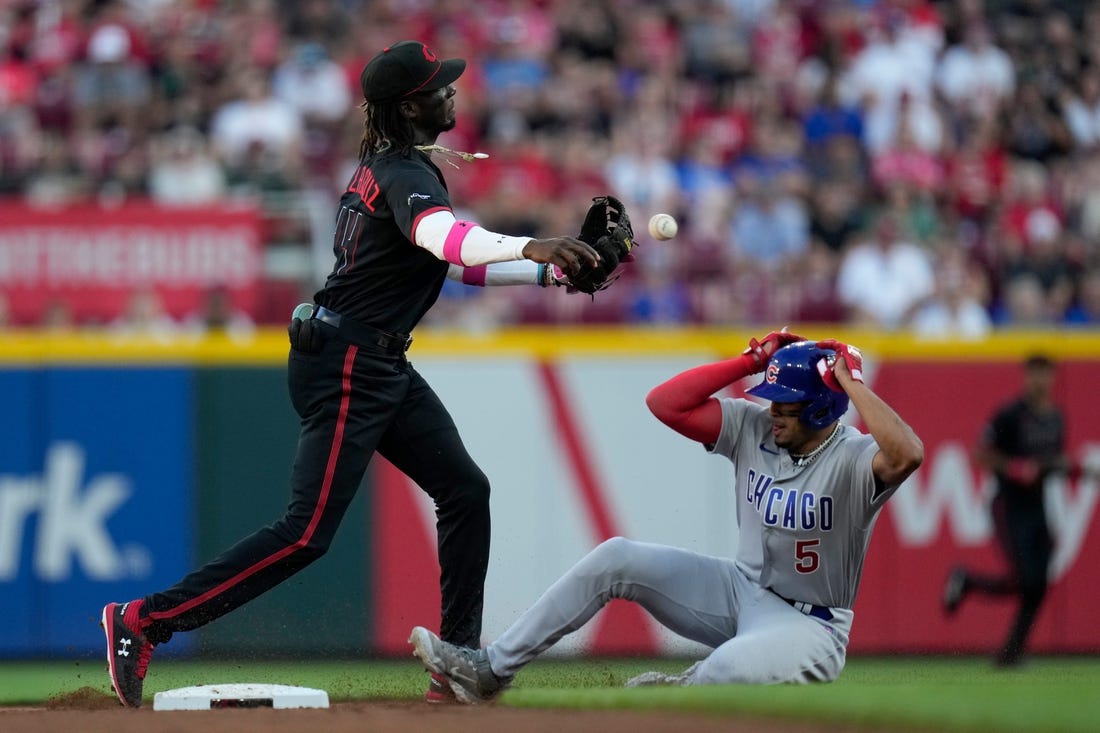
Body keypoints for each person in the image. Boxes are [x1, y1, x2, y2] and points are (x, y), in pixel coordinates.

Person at [100, 40, 604, 708]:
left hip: (372, 357)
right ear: (410, 104)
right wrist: (532, 244)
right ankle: (143, 620)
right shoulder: (402, 172)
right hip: (347, 362)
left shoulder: (397, 166)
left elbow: (455, 261)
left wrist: (552, 269)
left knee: (464, 490)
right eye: (439, 87)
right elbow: (447, 242)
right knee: (307, 532)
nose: (452, 92)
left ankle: (455, 661)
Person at [410, 332, 924, 701]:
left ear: (819, 408)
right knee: (618, 558)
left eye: (786, 404)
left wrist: (851, 384)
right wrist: (749, 361)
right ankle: (491, 670)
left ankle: (681, 694)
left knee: (724, 669)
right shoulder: (755, 427)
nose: (771, 410)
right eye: (771, 401)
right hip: (739, 590)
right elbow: (666, 404)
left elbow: (908, 454)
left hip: (810, 624)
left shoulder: (854, 457)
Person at [942, 355, 1073, 667]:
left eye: (1045, 374)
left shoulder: (1056, 418)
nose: (1040, 380)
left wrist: (1067, 468)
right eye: (1034, 373)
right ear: (1026, 377)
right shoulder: (1011, 415)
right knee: (1026, 578)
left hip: (1038, 506)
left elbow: (1052, 462)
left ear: (1052, 378)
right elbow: (980, 455)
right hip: (1009, 505)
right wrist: (1013, 467)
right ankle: (968, 583)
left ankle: (1011, 652)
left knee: (1036, 584)